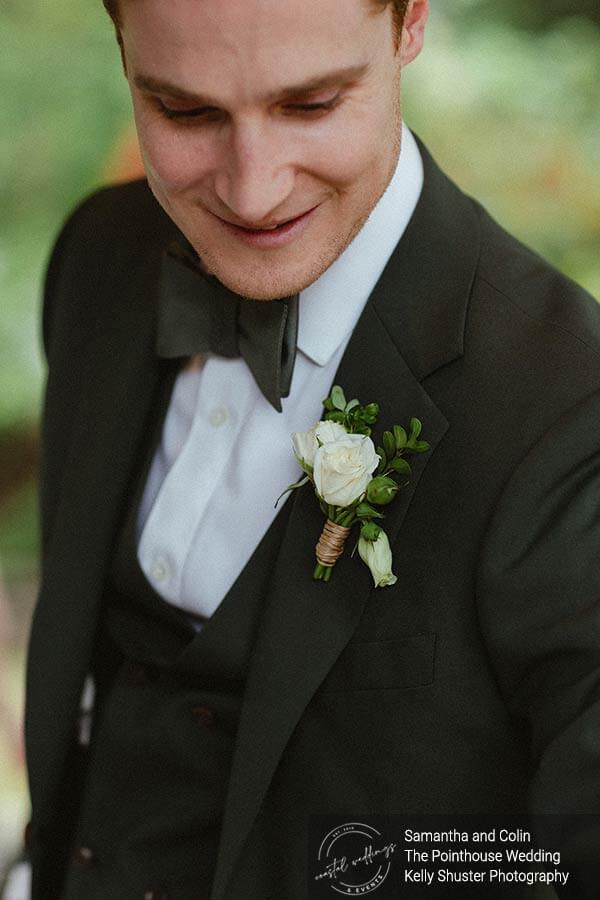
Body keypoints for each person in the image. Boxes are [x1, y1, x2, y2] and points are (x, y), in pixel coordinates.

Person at [23, 0, 600, 898]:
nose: (253, 192)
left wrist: (386, 870)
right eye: (186, 111)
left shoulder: (566, 405)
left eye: (311, 104)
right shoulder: (100, 257)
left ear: (411, 21)